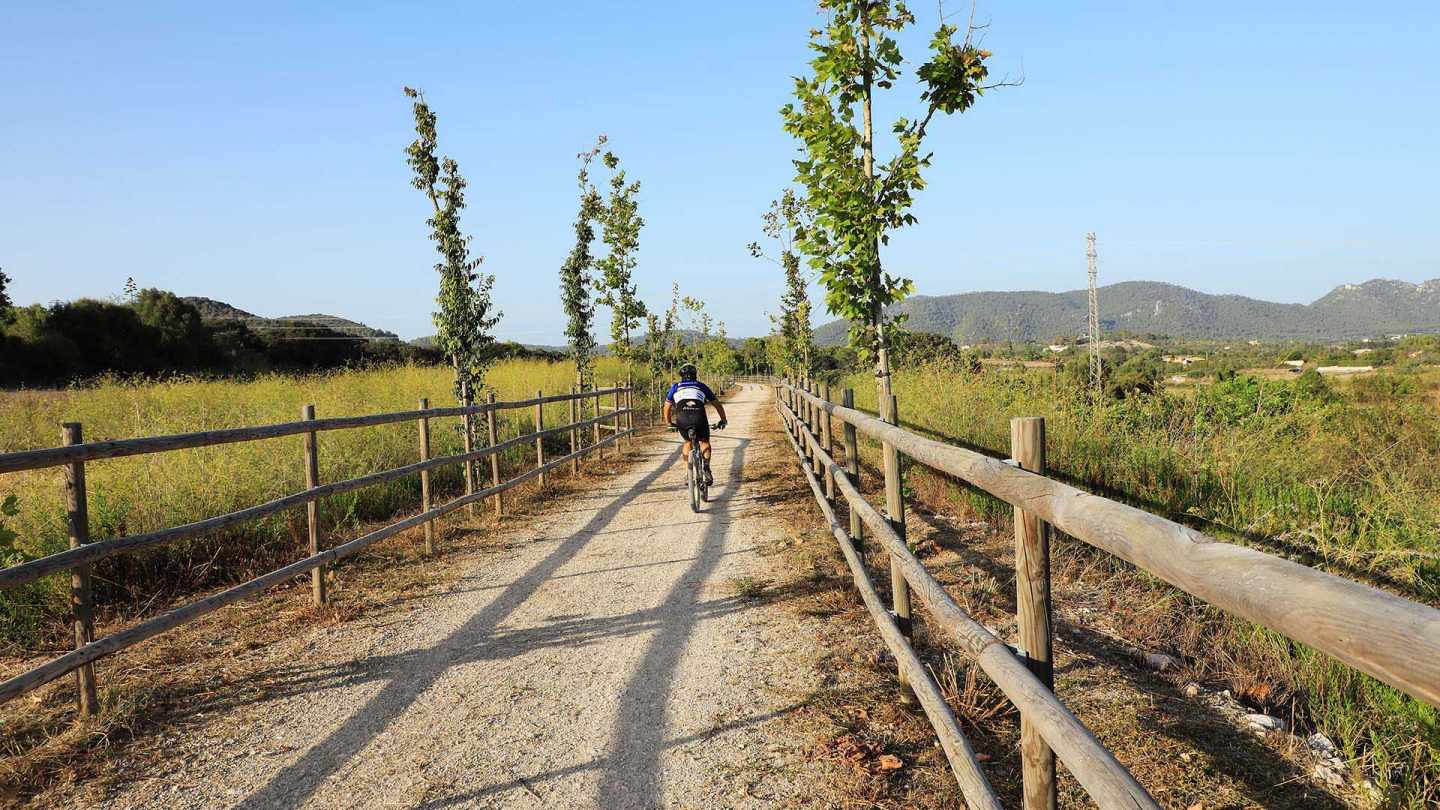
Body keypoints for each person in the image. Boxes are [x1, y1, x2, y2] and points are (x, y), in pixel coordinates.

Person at [663, 362, 727, 485]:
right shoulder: (701, 386)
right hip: (699, 417)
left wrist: (669, 423)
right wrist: (723, 420)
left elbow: (667, 406)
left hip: (682, 418)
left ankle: (688, 473)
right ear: (695, 375)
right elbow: (716, 404)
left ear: (681, 376)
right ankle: (706, 467)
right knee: (704, 441)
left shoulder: (676, 387)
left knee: (687, 442)